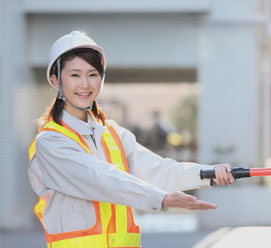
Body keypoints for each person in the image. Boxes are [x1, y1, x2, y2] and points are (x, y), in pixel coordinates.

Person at [28, 31, 235, 248]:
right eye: (74, 75)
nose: (85, 84)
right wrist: (161, 199)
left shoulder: (113, 134)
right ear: (55, 80)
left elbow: (159, 170)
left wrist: (208, 173)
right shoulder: (51, 141)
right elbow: (102, 179)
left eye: (92, 74)